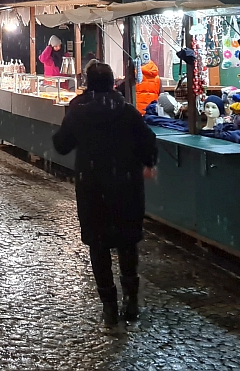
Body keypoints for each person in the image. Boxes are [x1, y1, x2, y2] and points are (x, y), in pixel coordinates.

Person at [52, 62, 157, 326]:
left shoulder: (78, 111)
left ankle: (109, 307)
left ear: (88, 82)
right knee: (127, 243)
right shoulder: (128, 112)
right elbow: (149, 145)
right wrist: (147, 162)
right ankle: (131, 303)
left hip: (92, 188)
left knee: (98, 246)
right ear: (113, 83)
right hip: (126, 187)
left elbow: (61, 145)